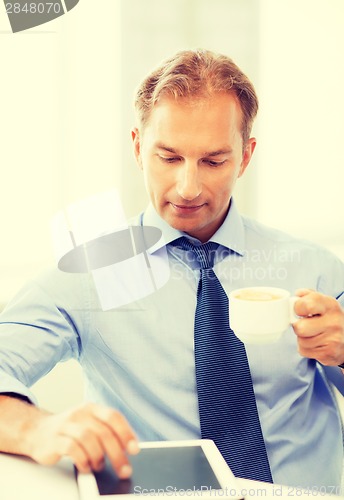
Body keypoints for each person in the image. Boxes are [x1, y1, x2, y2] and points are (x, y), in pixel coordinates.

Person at [0, 49, 344, 490]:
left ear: (245, 157)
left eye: (213, 161)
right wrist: (35, 429)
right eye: (169, 157)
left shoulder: (313, 270)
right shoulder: (86, 274)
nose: (188, 187)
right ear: (138, 148)